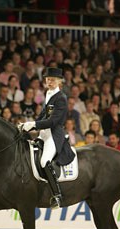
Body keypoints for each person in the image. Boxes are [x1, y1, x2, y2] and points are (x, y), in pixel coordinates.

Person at [21, 67, 75, 209]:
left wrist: (33, 124)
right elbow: (43, 115)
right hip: (43, 134)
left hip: (53, 135)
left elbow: (53, 121)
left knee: (45, 161)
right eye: (48, 79)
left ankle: (57, 195)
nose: (49, 81)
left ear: (59, 81)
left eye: (52, 79)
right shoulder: (49, 93)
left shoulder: (61, 98)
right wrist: (29, 126)